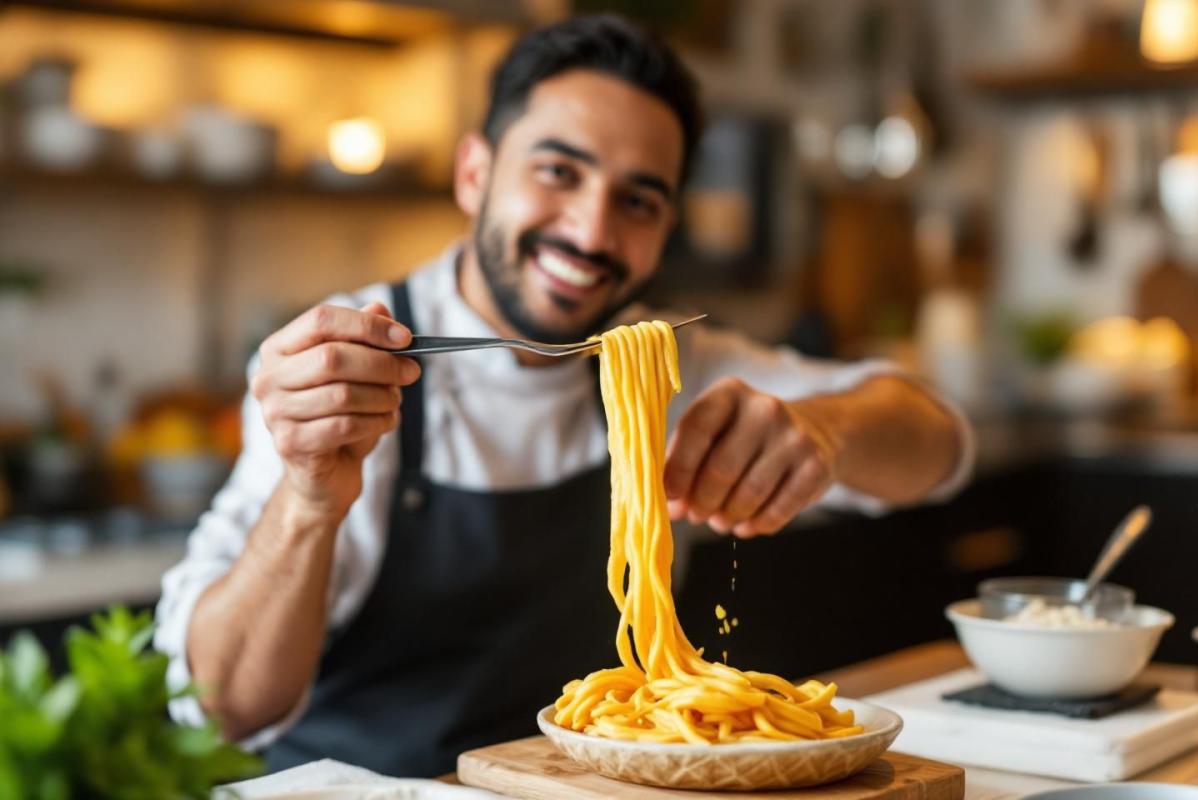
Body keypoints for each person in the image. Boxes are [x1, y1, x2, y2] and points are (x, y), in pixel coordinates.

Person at [155, 14, 971, 778]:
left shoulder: (663, 357)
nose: (590, 233)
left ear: (666, 228)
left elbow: (940, 446)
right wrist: (307, 501)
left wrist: (830, 430)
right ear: (475, 174)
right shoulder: (351, 367)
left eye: (637, 201)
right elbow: (224, 710)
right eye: (558, 172)